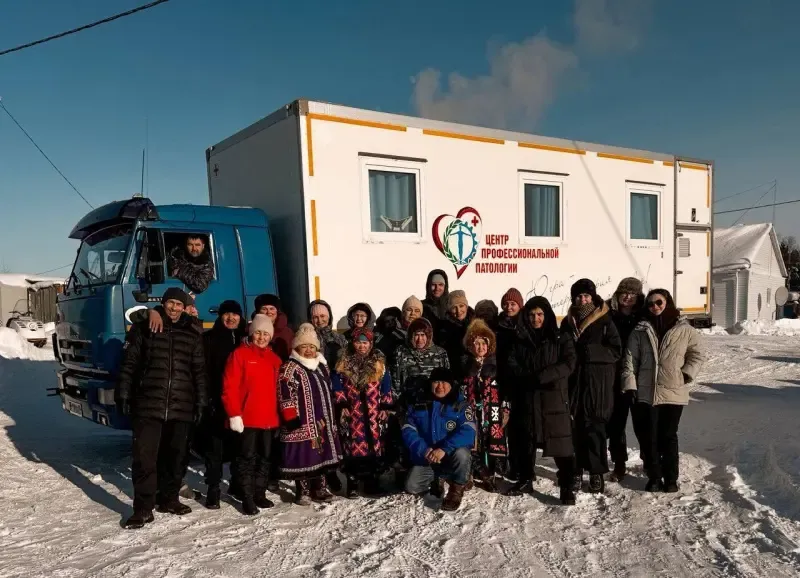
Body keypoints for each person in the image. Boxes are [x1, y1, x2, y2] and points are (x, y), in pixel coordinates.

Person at [116, 288, 207, 529]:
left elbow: (199, 371)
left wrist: (201, 402)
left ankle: (169, 499)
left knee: (175, 458)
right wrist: (123, 393)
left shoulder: (192, 333)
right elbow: (130, 363)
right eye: (170, 303)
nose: (174, 308)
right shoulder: (145, 327)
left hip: (181, 404)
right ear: (164, 303)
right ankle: (143, 509)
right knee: (145, 459)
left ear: (185, 307)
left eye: (179, 304)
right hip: (149, 404)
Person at [622, 289, 706, 493]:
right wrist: (631, 384)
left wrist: (685, 374)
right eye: (650, 304)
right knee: (649, 436)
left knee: (668, 435)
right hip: (647, 392)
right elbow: (630, 360)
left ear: (667, 302)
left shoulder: (684, 329)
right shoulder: (640, 329)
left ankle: (670, 478)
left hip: (673, 390)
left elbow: (697, 354)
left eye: (659, 302)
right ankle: (654, 476)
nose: (655, 307)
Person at [507, 297, 577, 504]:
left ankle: (567, 486)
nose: (535, 319)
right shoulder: (520, 338)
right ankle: (526, 479)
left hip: (553, 398)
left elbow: (569, 363)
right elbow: (512, 363)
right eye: (531, 315)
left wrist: (545, 376)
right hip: (528, 397)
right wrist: (526, 377)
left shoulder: (560, 337)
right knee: (526, 441)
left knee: (560, 443)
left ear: (547, 315)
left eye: (539, 314)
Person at [561, 279, 621, 495]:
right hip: (574, 382)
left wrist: (591, 352)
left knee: (595, 429)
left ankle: (597, 473)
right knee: (574, 429)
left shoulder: (605, 320)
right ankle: (576, 471)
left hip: (598, 383)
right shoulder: (568, 322)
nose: (582, 299)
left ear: (593, 297)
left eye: (586, 295)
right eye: (578, 296)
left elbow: (616, 350)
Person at [222, 314, 282, 515]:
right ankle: (247, 497)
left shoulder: (274, 359)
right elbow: (229, 387)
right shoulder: (239, 355)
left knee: (265, 458)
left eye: (266, 334)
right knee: (246, 459)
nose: (262, 337)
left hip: (269, 419)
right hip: (247, 418)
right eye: (258, 333)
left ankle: (259, 493)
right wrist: (234, 414)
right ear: (251, 333)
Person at [278, 323, 344, 505]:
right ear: (297, 347)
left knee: (322, 455)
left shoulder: (321, 366)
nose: (308, 350)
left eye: (312, 347)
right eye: (304, 346)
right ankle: (303, 491)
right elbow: (285, 394)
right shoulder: (290, 368)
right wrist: (291, 417)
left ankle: (320, 488)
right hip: (302, 422)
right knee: (304, 457)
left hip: (323, 420)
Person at [402, 367, 477, 511]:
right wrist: (424, 450)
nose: (440, 386)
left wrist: (444, 449)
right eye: (436, 382)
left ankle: (457, 488)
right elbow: (408, 429)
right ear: (430, 383)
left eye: (444, 382)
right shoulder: (419, 402)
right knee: (412, 486)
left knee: (462, 454)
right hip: (428, 457)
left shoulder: (461, 404)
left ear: (451, 384)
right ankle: (439, 478)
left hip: (450, 455)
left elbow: (469, 431)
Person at [332, 328, 393, 497]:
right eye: (358, 342)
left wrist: (385, 406)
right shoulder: (343, 363)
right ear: (353, 343)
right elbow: (336, 384)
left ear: (371, 344)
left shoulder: (379, 364)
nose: (361, 346)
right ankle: (352, 482)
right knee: (352, 445)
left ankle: (371, 481)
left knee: (374, 445)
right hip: (353, 411)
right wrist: (342, 403)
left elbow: (386, 386)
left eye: (365, 343)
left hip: (373, 411)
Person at [202, 300, 247, 509]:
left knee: (240, 446)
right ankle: (213, 488)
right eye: (226, 314)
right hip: (216, 402)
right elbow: (203, 372)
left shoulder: (245, 339)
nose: (231, 318)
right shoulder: (209, 339)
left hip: (241, 404)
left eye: (235, 314)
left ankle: (236, 484)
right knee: (215, 449)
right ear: (220, 316)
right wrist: (207, 399)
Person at [460, 319, 508, 492]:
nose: (480, 347)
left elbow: (506, 388)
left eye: (484, 343)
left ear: (489, 345)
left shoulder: (496, 364)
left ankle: (490, 473)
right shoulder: (465, 364)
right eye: (477, 343)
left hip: (491, 409)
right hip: (471, 410)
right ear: (470, 345)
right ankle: (471, 473)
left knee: (490, 440)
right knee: (472, 440)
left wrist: (505, 407)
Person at [605, 277, 645, 482]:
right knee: (616, 424)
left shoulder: (644, 315)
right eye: (624, 292)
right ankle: (619, 464)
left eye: (632, 293)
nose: (628, 297)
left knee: (643, 423)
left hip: (640, 375)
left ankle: (649, 460)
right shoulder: (607, 314)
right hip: (614, 376)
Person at [436, 290, 475, 376]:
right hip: (454, 372)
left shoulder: (476, 323)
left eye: (461, 306)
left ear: (466, 306)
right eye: (454, 308)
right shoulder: (444, 328)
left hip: (474, 371)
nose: (458, 311)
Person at [254, 294, 294, 362]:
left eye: (272, 309)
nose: (268, 312)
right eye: (264, 309)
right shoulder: (251, 330)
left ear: (277, 311)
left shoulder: (287, 332)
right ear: (258, 311)